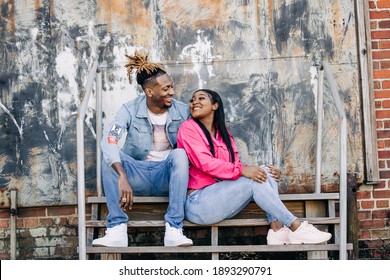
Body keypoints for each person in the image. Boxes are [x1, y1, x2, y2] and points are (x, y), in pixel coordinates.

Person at [177, 89, 332, 245]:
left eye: (201, 98)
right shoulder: (188, 128)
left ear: (215, 106)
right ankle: (296, 227)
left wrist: (261, 170)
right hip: (198, 203)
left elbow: (233, 165)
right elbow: (205, 163)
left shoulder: (224, 134)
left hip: (223, 200)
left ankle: (277, 230)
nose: (194, 102)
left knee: (264, 171)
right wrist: (242, 170)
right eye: (192, 100)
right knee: (253, 178)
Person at [93, 51, 192, 247]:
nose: (171, 92)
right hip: (135, 174)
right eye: (165, 89)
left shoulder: (182, 110)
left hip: (166, 175)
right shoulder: (129, 109)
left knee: (180, 154)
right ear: (149, 92)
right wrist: (121, 174)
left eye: (171, 86)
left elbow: (202, 141)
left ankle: (173, 229)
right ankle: (117, 229)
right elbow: (110, 139)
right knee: (110, 154)